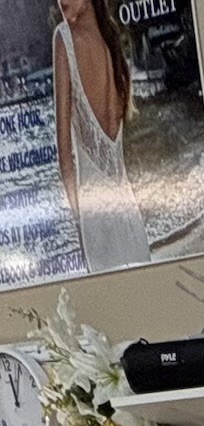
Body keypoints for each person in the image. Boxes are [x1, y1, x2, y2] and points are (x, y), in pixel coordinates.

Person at [53, 0, 152, 276]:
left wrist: (80, 225)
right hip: (131, 223)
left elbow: (65, 159)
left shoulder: (64, 38)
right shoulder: (111, 45)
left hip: (99, 227)